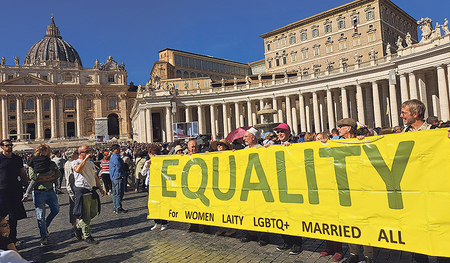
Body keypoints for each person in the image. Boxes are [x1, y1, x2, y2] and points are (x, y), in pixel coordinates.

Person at [338, 118, 373, 263]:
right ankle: (353, 254)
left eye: (341, 127)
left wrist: (363, 140)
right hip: (345, 187)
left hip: (362, 186)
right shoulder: (336, 143)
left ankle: (368, 255)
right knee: (349, 222)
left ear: (349, 129)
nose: (338, 129)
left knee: (365, 221)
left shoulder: (362, 140)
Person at [266, 123, 303, 255]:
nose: (280, 134)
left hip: (292, 186)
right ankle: (286, 241)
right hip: (279, 185)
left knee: (292, 215)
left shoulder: (296, 144)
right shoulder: (275, 145)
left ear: (288, 132)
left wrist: (293, 148)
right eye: (278, 132)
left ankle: (297, 243)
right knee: (280, 214)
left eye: (282, 132)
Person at [28, 144, 61, 246]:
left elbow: (58, 174)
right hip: (38, 191)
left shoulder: (50, 163)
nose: (50, 152)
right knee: (40, 216)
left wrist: (43, 178)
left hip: (50, 190)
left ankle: (44, 226)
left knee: (56, 210)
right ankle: (43, 236)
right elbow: (33, 177)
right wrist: (50, 177)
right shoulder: (33, 163)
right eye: (49, 151)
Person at [72, 145, 106, 245]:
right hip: (82, 190)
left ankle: (78, 227)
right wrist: (85, 159)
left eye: (89, 151)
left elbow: (95, 177)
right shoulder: (76, 162)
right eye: (86, 151)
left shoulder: (91, 163)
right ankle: (87, 236)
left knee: (94, 211)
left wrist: (100, 188)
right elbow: (77, 170)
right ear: (80, 153)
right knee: (86, 214)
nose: (89, 153)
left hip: (92, 189)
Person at [0, 140, 28, 248]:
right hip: (2, 190)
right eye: (7, 145)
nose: (10, 147)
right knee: (1, 215)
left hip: (15, 190)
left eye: (11, 145)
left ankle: (13, 237)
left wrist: (27, 186)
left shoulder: (17, 159)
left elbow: (22, 172)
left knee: (14, 216)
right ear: (2, 147)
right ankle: (2, 237)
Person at [210, 139, 236, 237]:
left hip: (229, 184)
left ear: (226, 147)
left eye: (221, 145)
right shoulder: (215, 155)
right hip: (219, 184)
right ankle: (222, 226)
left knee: (229, 207)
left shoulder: (231, 154)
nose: (219, 146)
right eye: (218, 145)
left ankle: (231, 228)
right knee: (220, 207)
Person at [142, 145, 169, 231]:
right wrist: (146, 166)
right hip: (150, 185)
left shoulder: (161, 161)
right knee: (153, 204)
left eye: (153, 154)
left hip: (159, 185)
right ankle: (156, 222)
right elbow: (143, 174)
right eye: (150, 154)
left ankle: (164, 223)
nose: (151, 155)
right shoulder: (147, 162)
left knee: (161, 204)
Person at [186, 140, 211, 234]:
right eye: (192, 147)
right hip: (191, 185)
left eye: (195, 146)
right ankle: (193, 225)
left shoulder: (203, 155)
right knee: (192, 206)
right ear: (188, 148)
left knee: (203, 207)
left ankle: (206, 227)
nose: (193, 148)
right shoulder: (185, 157)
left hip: (203, 185)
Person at [109, 144, 128, 214]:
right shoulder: (117, 158)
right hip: (118, 177)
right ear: (115, 150)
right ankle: (118, 208)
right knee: (119, 193)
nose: (120, 150)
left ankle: (116, 207)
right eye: (119, 149)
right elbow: (118, 167)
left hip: (114, 177)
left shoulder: (113, 157)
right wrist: (123, 174)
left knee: (115, 193)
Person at [64, 148, 78, 235]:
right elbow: (70, 177)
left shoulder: (67, 163)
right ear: (72, 155)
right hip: (73, 187)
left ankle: (74, 224)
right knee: (76, 206)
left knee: (73, 207)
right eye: (76, 153)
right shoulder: (72, 164)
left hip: (71, 187)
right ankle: (76, 225)